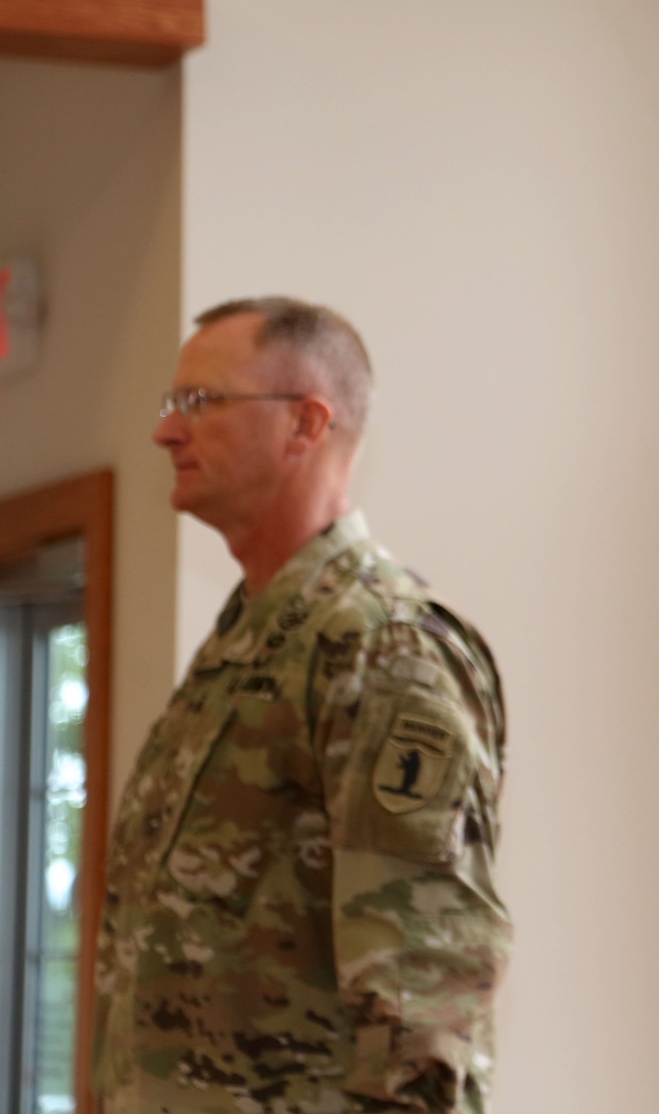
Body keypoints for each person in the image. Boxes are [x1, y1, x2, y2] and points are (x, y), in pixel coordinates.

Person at [96, 298, 508, 1113]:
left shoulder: (383, 647)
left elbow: (422, 1005)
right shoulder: (248, 640)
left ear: (306, 425)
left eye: (199, 403)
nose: (166, 432)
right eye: (170, 405)